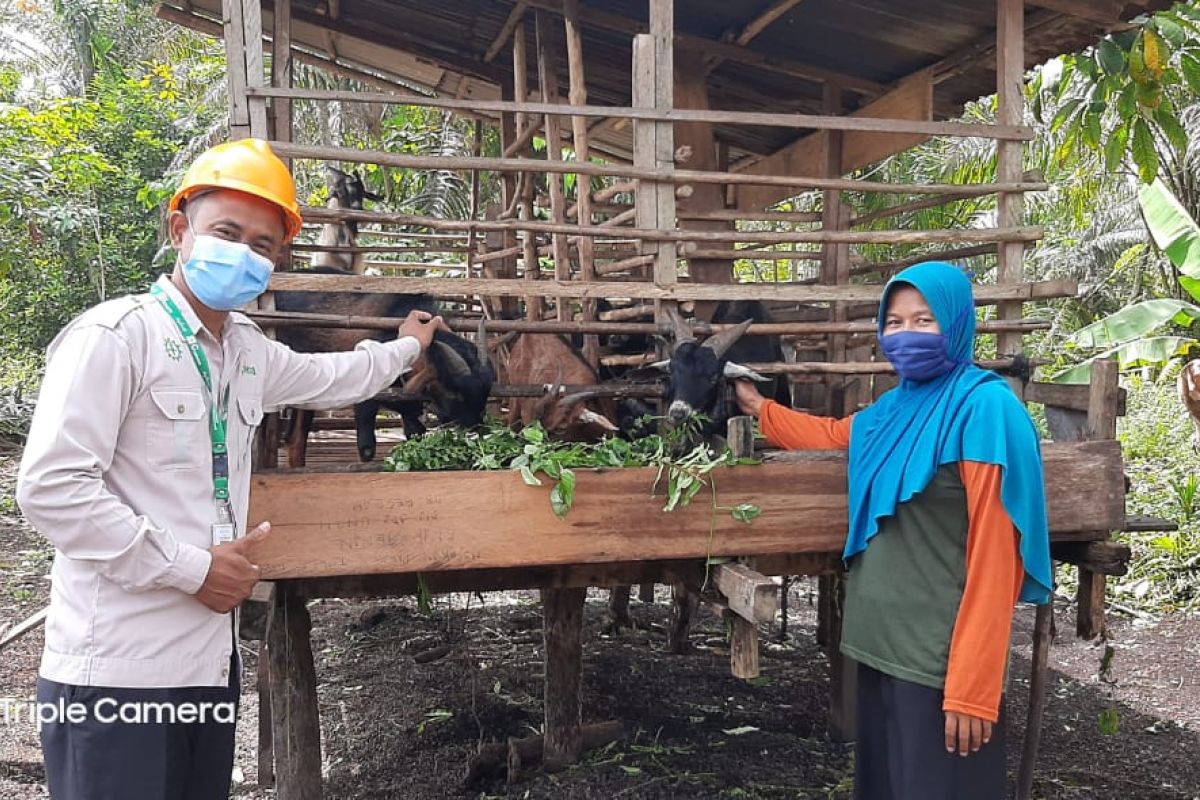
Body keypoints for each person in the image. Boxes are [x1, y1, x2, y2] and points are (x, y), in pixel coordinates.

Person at [15, 138, 447, 800]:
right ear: (180, 228)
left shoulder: (246, 349)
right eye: (227, 232)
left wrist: (403, 348)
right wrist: (195, 569)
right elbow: (52, 490)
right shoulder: (115, 338)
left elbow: (332, 376)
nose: (245, 254)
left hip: (209, 666)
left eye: (263, 245)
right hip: (117, 673)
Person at [734, 261, 1052, 800]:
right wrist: (760, 408)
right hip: (879, 647)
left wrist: (973, 688)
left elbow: (996, 557)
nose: (906, 335)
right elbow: (833, 435)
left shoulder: (985, 409)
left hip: (937, 662)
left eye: (924, 321)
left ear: (955, 324)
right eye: (896, 322)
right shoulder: (894, 410)